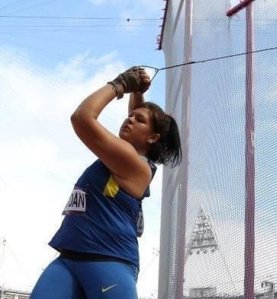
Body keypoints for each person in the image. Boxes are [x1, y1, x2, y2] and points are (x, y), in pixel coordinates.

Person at [30, 67, 182, 299]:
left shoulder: (135, 164)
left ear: (153, 138)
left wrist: (119, 85)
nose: (129, 119)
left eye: (138, 120)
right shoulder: (127, 156)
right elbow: (139, 116)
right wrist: (138, 93)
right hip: (70, 258)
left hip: (110, 262)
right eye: (129, 116)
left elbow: (81, 118)